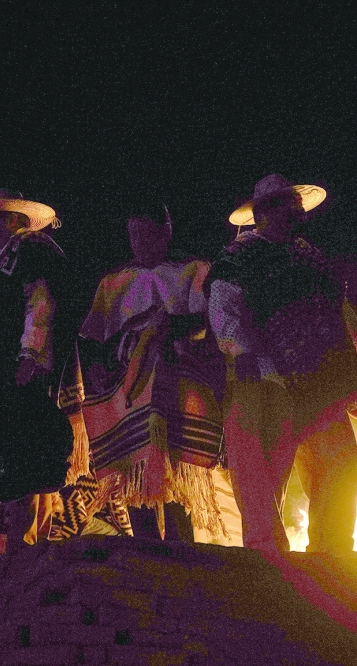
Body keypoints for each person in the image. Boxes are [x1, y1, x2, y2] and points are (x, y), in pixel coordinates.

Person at [206, 174, 357, 555]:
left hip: (324, 382)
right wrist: (243, 355)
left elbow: (337, 309)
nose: (296, 215)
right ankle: (269, 566)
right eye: (287, 208)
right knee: (264, 483)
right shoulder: (237, 258)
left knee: (337, 476)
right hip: (266, 386)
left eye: (296, 208)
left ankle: (333, 561)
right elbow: (223, 310)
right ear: (264, 213)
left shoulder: (310, 256)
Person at [77, 209, 227, 541]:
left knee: (175, 474)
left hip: (177, 380)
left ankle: (182, 552)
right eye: (134, 237)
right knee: (134, 474)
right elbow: (93, 336)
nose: (140, 244)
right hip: (127, 387)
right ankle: (144, 551)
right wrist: (100, 367)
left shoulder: (193, 270)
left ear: (166, 232)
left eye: (148, 235)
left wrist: (170, 327)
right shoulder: (113, 282)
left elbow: (209, 320)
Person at [0, 189, 89, 549]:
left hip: (22, 372)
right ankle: (33, 546)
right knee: (29, 451)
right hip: (16, 372)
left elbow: (39, 300)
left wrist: (30, 354)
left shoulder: (27, 248)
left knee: (22, 451)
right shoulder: (10, 260)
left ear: (15, 220)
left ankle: (25, 548)